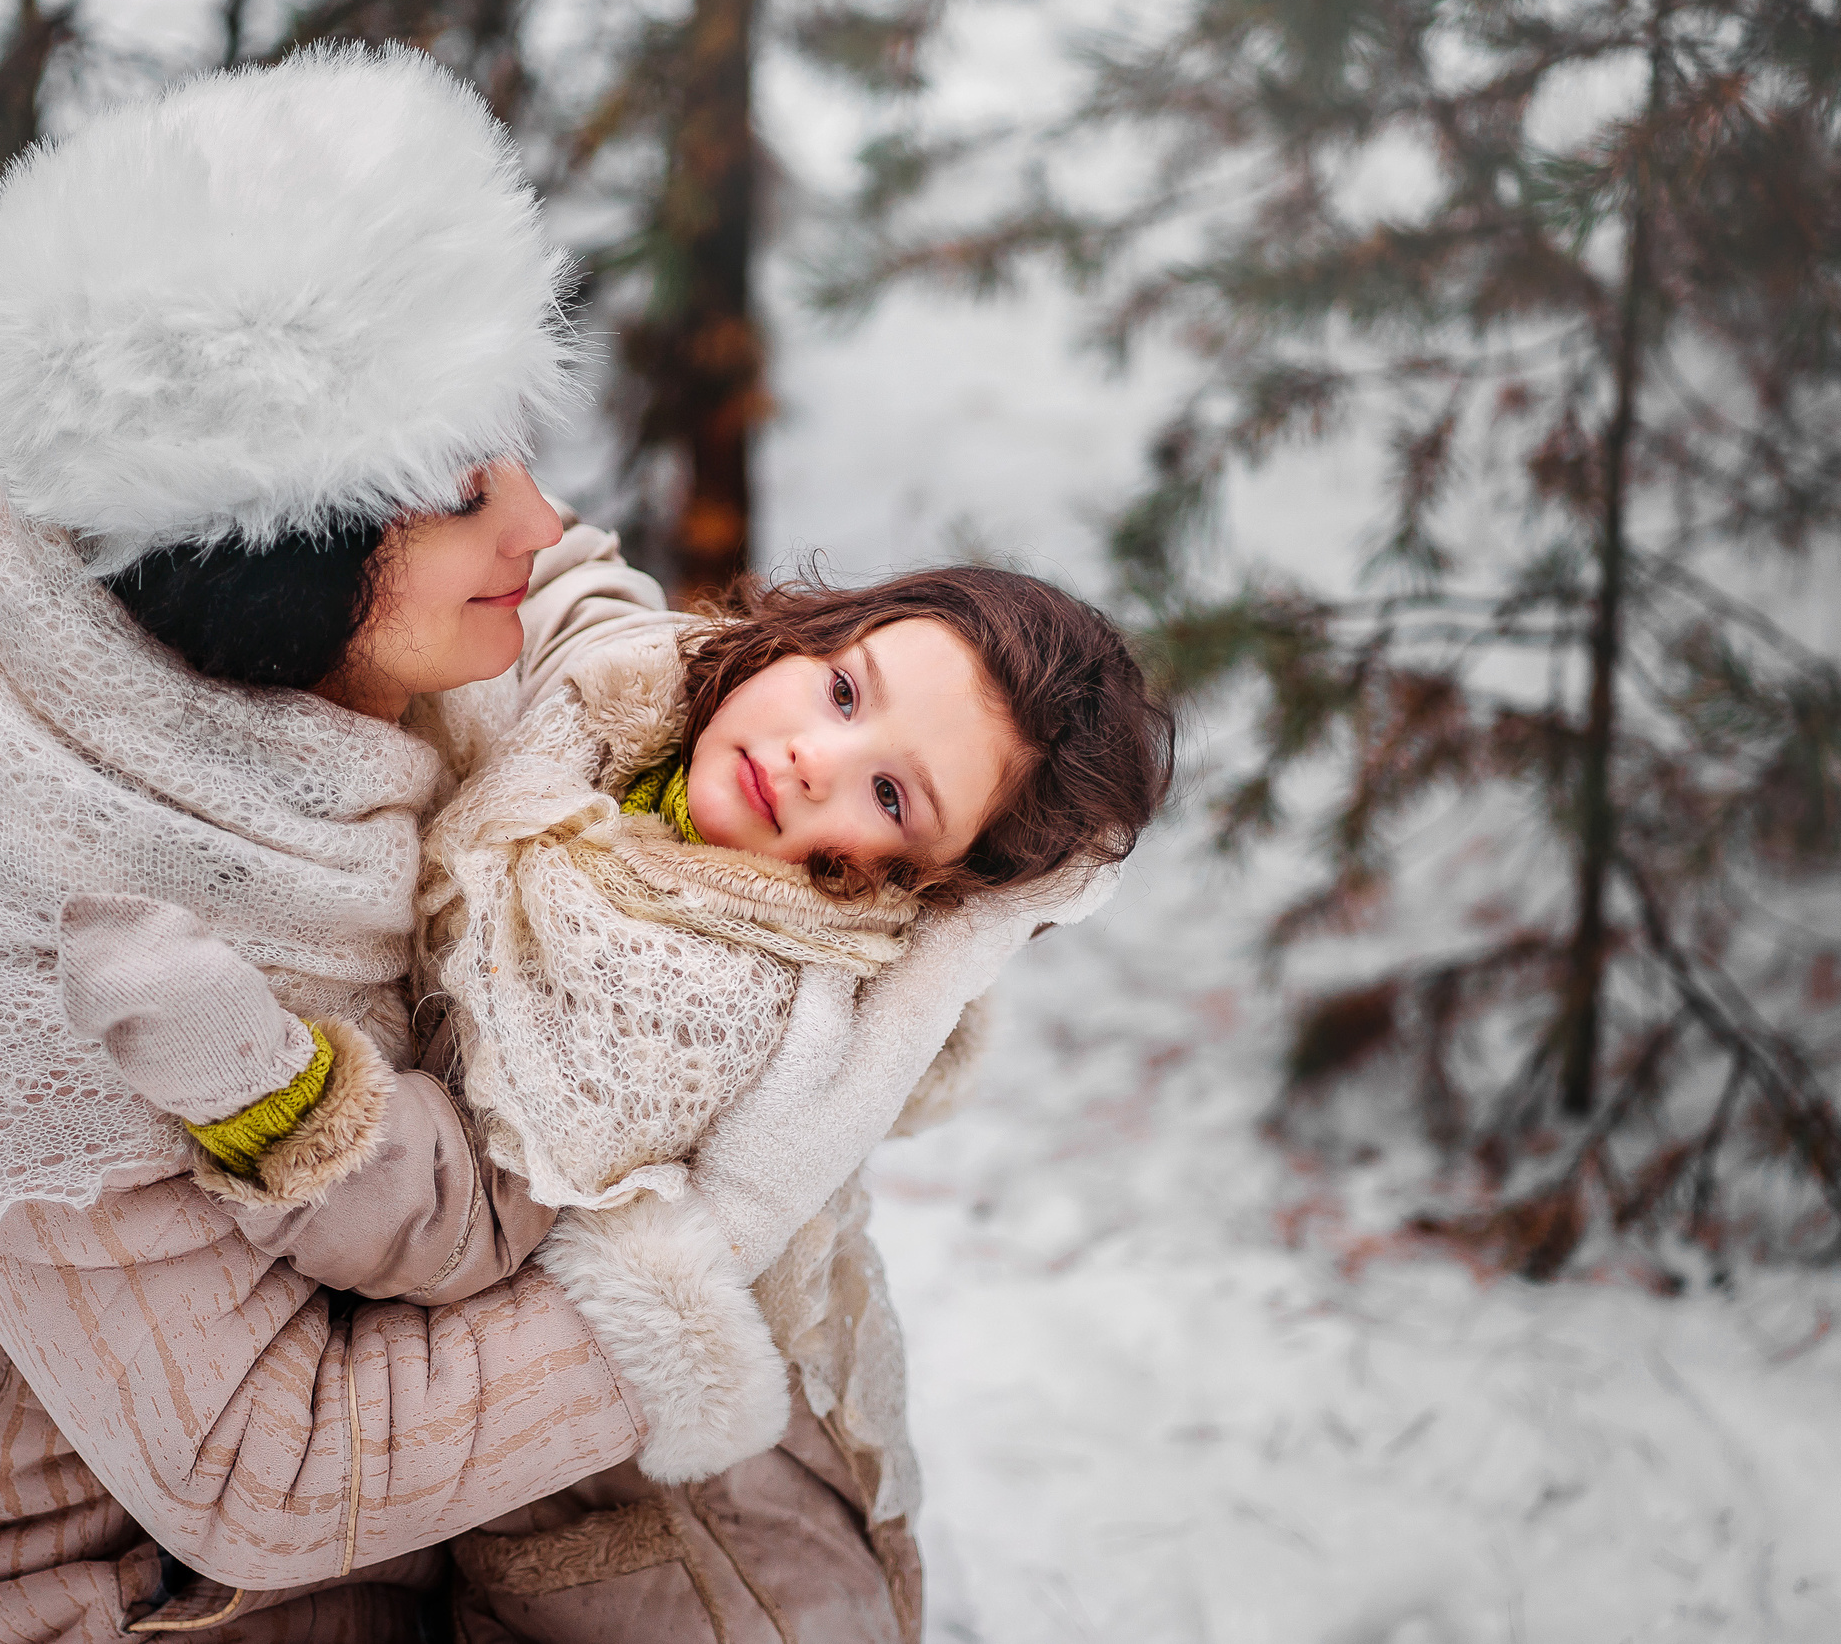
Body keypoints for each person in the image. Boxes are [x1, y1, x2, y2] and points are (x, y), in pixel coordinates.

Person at [0, 45, 652, 1642]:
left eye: (511, 451)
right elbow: (274, 1467)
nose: (540, 525)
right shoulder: (49, 949)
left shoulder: (348, 731)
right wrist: (684, 1282)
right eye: (463, 490)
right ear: (279, 556)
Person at [65, 532, 1175, 1644]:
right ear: (802, 632)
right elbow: (583, 609)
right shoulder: (654, 702)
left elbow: (463, 1220)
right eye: (843, 689)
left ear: (919, 883)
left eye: (887, 793)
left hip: (688, 1550)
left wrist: (262, 1082)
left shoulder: (697, 998)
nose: (810, 757)